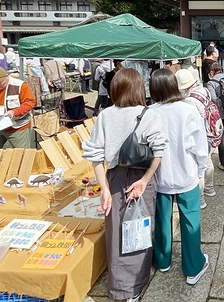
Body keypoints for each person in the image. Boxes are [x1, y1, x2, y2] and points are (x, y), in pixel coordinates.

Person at [82, 68, 168, 302]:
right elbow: (159, 151)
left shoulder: (105, 115)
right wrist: (145, 180)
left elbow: (94, 154)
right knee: (139, 228)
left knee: (116, 228)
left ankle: (119, 286)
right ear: (140, 89)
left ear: (114, 89)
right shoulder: (148, 114)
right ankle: (134, 286)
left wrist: (105, 189)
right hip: (141, 176)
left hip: (114, 176)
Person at [148, 69, 210, 284]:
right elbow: (200, 146)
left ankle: (163, 260)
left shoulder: (149, 112)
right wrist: (201, 169)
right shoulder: (188, 110)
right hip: (186, 173)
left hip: (160, 176)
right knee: (191, 221)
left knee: (162, 220)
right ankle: (193, 266)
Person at [176, 69, 218, 208]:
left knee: (198, 168)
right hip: (209, 131)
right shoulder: (204, 90)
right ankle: (210, 188)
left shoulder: (189, 101)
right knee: (208, 159)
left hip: (198, 134)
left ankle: (200, 199)